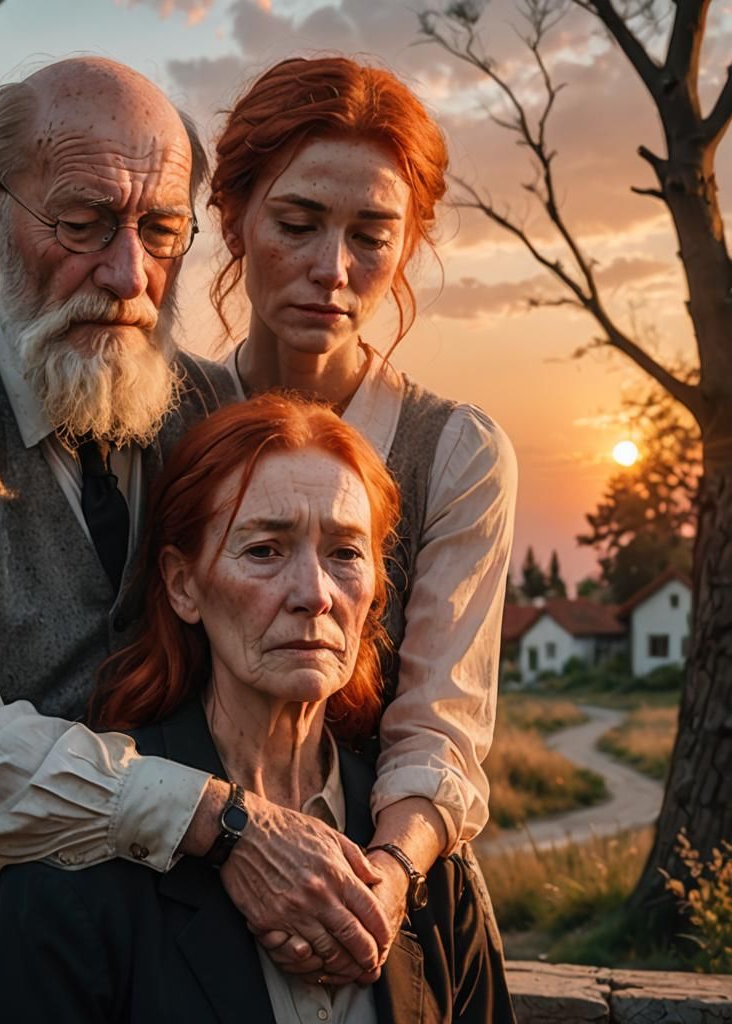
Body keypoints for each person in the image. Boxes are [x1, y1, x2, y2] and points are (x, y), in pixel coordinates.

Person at [0, 57, 399, 1023]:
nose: (127, 277)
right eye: (81, 225)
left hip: (193, 940)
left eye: (162, 232)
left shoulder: (209, 408)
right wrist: (213, 819)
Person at [0, 394, 513, 1023]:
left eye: (345, 553)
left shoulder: (423, 860)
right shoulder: (80, 868)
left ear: (375, 590)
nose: (314, 594)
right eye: (264, 550)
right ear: (183, 585)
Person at [207, 55, 518, 972]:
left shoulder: (453, 452)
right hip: (179, 889)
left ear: (409, 244)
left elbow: (442, 724)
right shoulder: (172, 419)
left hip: (395, 911)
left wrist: (383, 878)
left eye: (372, 236)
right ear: (232, 218)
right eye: (297, 224)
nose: (330, 270)